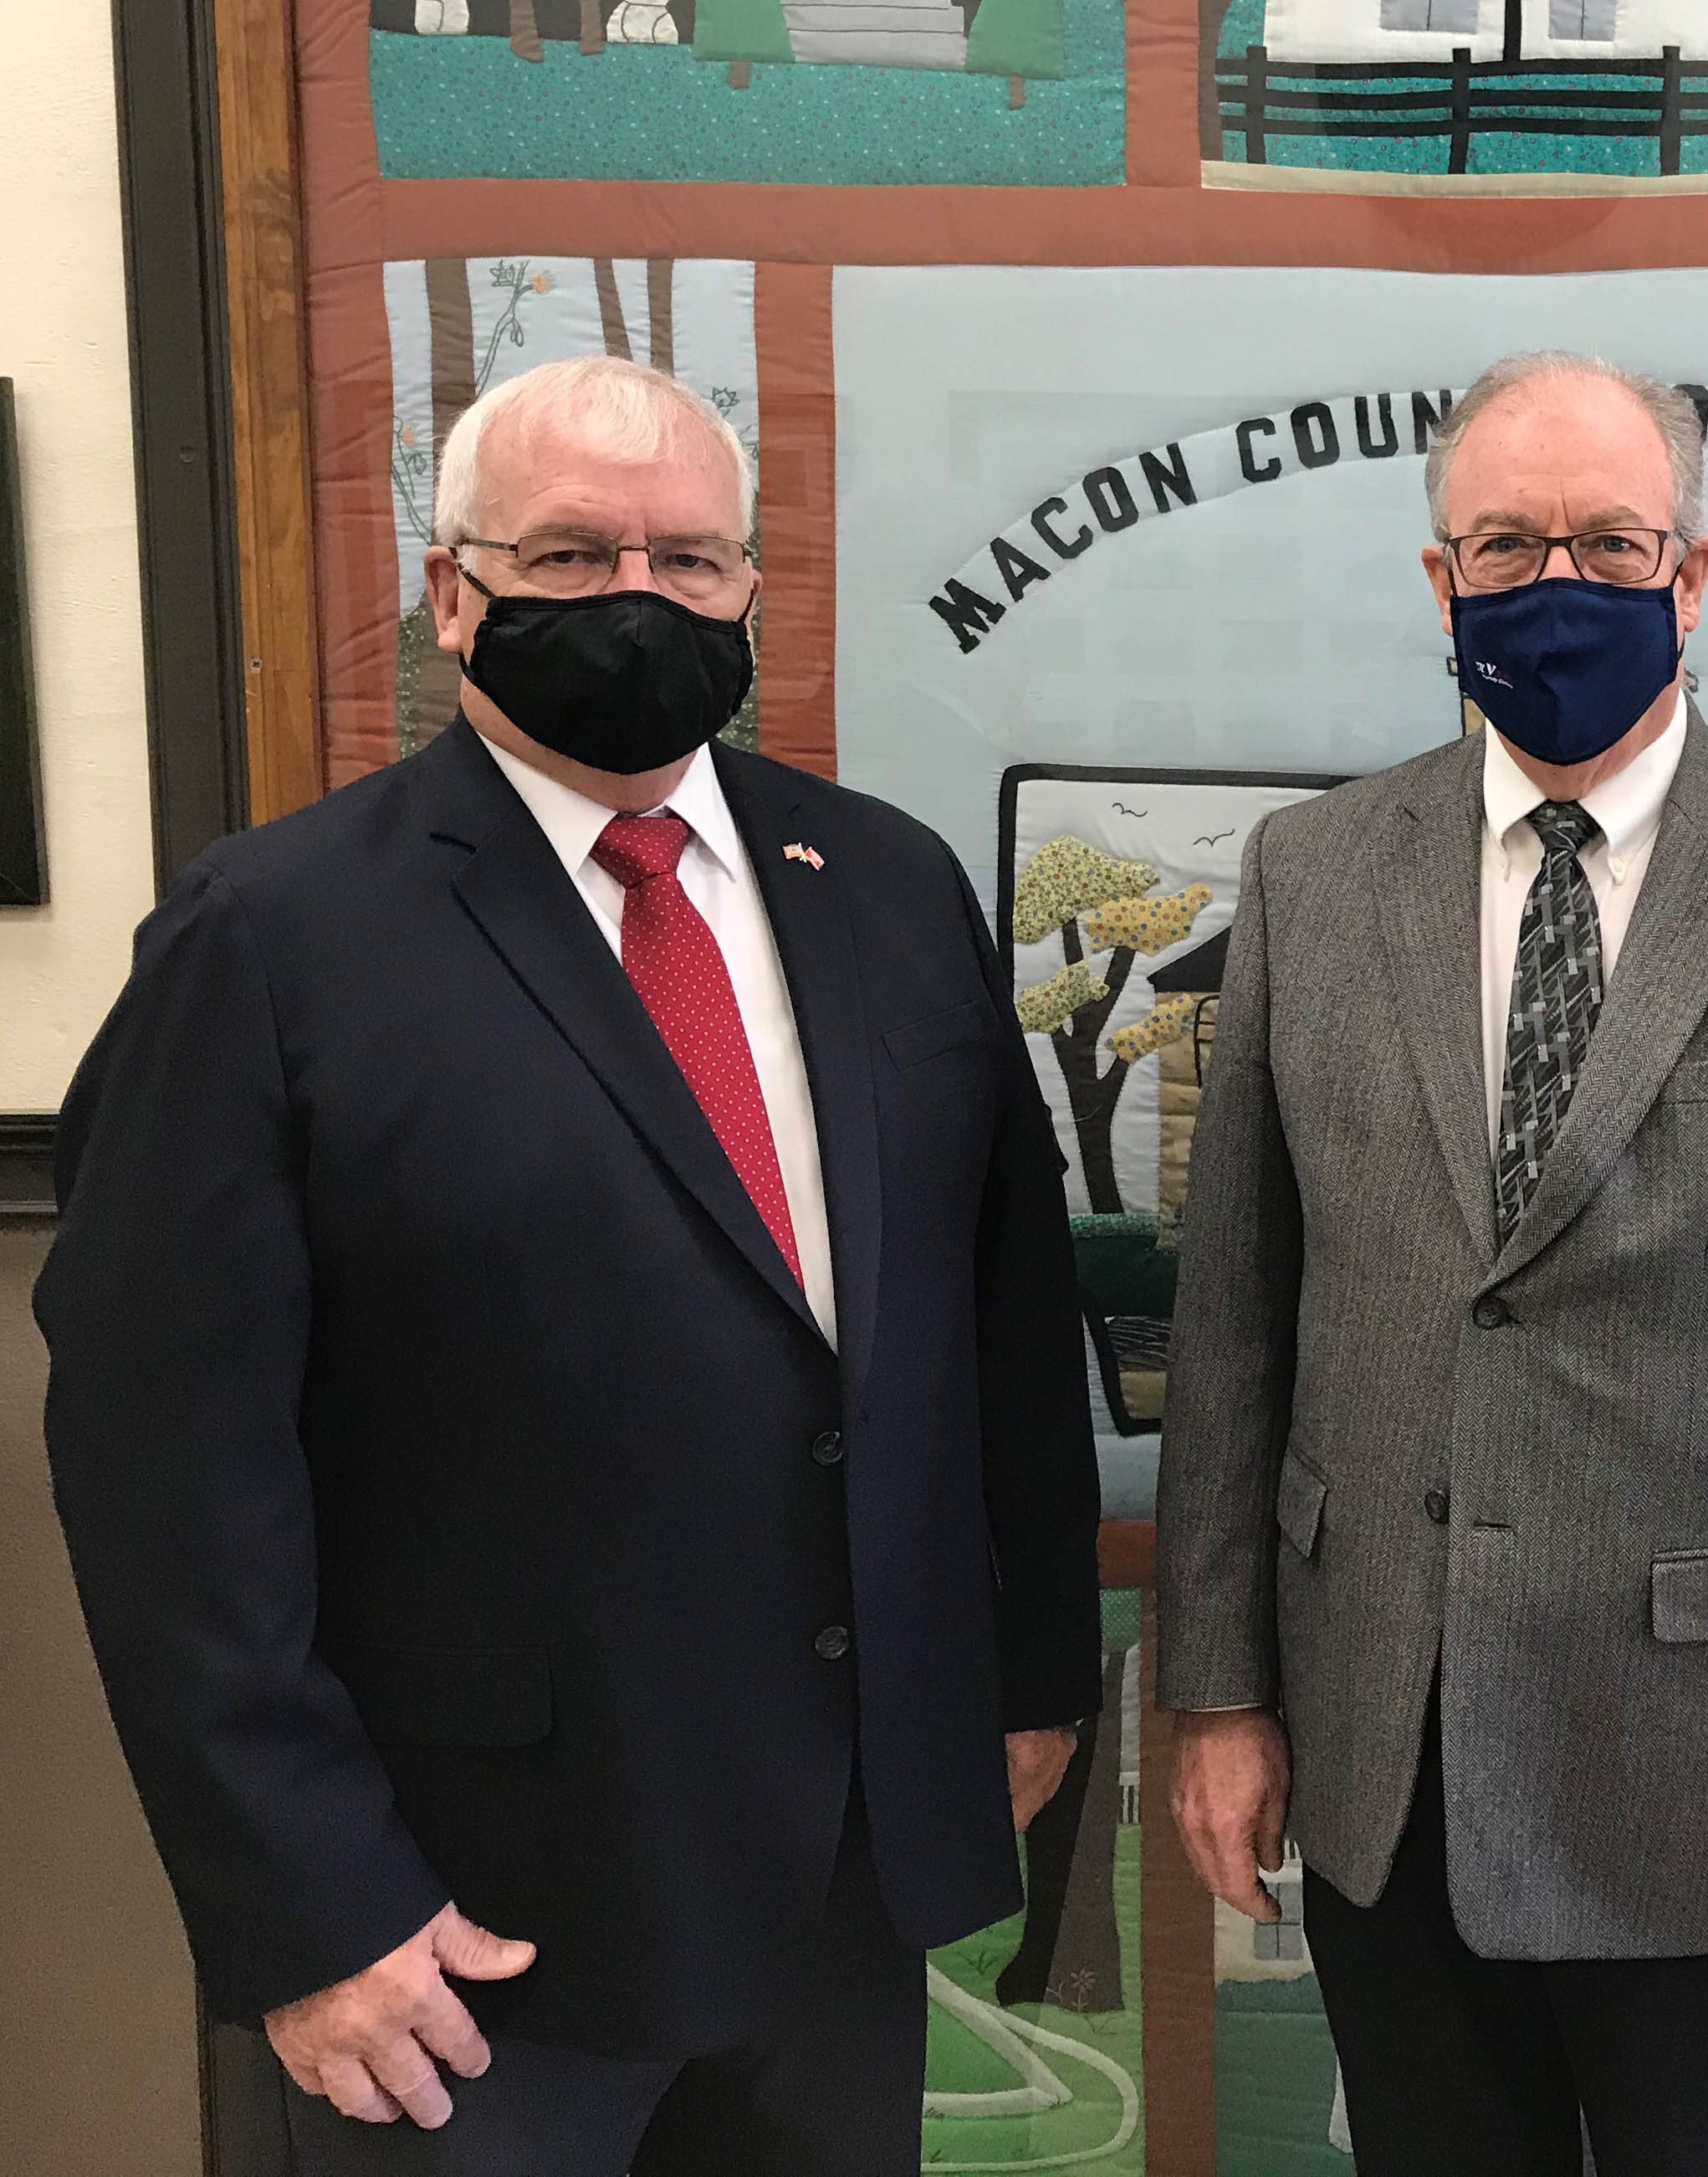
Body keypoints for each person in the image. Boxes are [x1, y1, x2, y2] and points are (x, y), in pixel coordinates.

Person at [38, 355, 1102, 2176]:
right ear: (452, 591)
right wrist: (314, 1903)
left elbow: (999, 1318)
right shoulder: (270, 936)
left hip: (837, 1884)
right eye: (569, 554)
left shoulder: (883, 882)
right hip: (462, 1929)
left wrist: (1025, 1680)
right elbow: (167, 1472)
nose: (638, 596)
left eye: (688, 559)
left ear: (749, 587)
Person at [1155, 349, 1708, 2175]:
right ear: (1439, 578)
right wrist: (1217, 1694)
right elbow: (1232, 1320)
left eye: (1612, 544)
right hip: (1382, 1741)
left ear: (1691, 575)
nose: (1559, 583)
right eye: (1507, 545)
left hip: (1705, 1771)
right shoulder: (1312, 873)